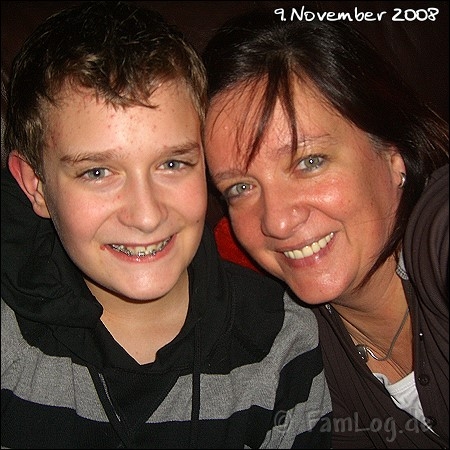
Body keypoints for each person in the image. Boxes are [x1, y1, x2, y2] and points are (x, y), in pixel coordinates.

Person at [0, 2, 333, 448]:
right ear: (36, 186)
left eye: (172, 163)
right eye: (97, 172)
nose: (146, 215)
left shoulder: (282, 342)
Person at [202, 7, 448, 449]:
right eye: (240, 187)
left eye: (309, 161)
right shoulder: (291, 350)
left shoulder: (438, 230)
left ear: (392, 154)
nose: (277, 222)